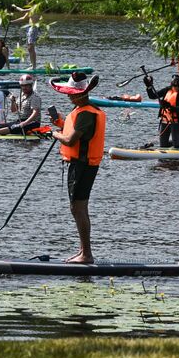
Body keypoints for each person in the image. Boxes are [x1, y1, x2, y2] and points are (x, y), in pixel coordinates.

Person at [50, 73, 106, 264]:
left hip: (82, 165)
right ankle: (83, 251)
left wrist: (54, 134)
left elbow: (70, 139)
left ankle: (87, 254)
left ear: (80, 94)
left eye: (71, 93)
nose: (68, 96)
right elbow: (74, 130)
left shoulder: (86, 113)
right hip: (83, 164)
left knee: (78, 208)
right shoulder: (84, 110)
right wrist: (59, 122)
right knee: (79, 208)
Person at [144, 72, 179, 148]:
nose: (176, 88)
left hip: (175, 122)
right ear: (172, 85)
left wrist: (168, 106)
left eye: (178, 87)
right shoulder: (167, 90)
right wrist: (148, 86)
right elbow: (152, 96)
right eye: (174, 86)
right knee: (163, 145)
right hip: (164, 121)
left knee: (177, 146)